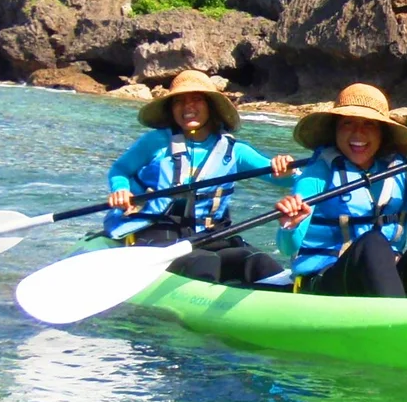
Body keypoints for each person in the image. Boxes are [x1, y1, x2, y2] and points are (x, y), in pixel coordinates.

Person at [272, 83, 407, 299]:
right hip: (325, 285)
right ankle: (400, 315)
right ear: (335, 130)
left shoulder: (400, 173)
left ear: (382, 133)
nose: (358, 133)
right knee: (373, 242)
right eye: (348, 123)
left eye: (369, 125)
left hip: (382, 281)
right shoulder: (317, 174)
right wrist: (290, 226)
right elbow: (287, 248)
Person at [104, 70, 297, 284]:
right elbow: (120, 170)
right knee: (205, 262)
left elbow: (283, 178)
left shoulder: (235, 151)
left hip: (211, 234)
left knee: (258, 261)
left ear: (210, 107)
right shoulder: (156, 141)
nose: (188, 107)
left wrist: (288, 170)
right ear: (171, 109)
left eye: (196, 99)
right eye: (179, 101)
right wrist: (120, 190)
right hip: (158, 231)